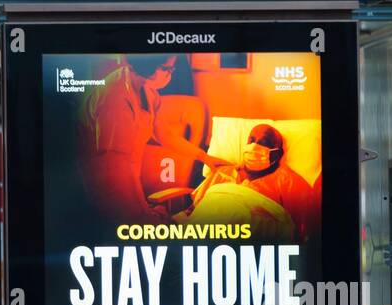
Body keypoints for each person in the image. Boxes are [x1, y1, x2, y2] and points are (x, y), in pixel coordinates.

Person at [77, 54, 233, 222]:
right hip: (102, 189)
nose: (170, 74)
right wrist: (144, 214)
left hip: (129, 186)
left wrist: (205, 157)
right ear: (148, 64)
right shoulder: (115, 94)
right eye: (166, 69)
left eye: (172, 69)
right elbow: (117, 168)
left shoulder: (149, 93)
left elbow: (166, 136)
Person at [234, 124, 317, 243]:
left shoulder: (288, 182)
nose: (253, 147)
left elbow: (305, 234)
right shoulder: (224, 173)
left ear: (277, 154)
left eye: (263, 143)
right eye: (251, 140)